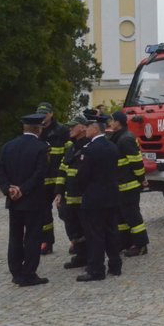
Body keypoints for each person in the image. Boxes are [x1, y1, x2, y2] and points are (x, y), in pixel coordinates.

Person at [0, 113, 50, 286]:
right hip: (33, 200)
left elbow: (0, 171)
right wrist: (23, 189)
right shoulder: (41, 148)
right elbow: (39, 174)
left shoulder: (7, 146)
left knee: (15, 237)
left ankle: (16, 272)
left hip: (14, 200)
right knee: (33, 237)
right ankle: (29, 273)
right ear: (38, 129)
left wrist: (8, 189)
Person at [74, 115, 122, 281]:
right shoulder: (112, 146)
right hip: (112, 196)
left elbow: (82, 176)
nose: (86, 130)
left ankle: (96, 269)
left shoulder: (90, 149)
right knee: (111, 231)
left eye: (87, 127)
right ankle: (115, 265)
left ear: (95, 129)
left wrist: (82, 190)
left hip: (94, 198)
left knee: (94, 234)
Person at [108, 110, 150, 256]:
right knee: (121, 217)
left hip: (129, 185)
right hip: (121, 184)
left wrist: (141, 179)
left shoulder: (125, 139)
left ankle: (141, 245)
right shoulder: (118, 137)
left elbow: (136, 163)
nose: (110, 123)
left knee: (132, 216)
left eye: (112, 120)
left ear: (118, 122)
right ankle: (124, 243)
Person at [55, 113, 91, 270]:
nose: (70, 128)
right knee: (73, 228)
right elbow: (62, 170)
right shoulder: (71, 147)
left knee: (88, 228)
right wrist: (58, 192)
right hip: (69, 197)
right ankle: (80, 255)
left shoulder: (89, 146)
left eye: (73, 126)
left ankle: (91, 257)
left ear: (83, 127)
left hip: (84, 197)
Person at [36, 102, 69, 255]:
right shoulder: (36, 130)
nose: (43, 117)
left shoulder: (62, 130)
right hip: (42, 180)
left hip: (58, 179)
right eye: (40, 113)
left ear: (51, 114)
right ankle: (46, 242)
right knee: (43, 213)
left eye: (45, 113)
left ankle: (76, 240)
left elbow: (69, 154)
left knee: (65, 212)